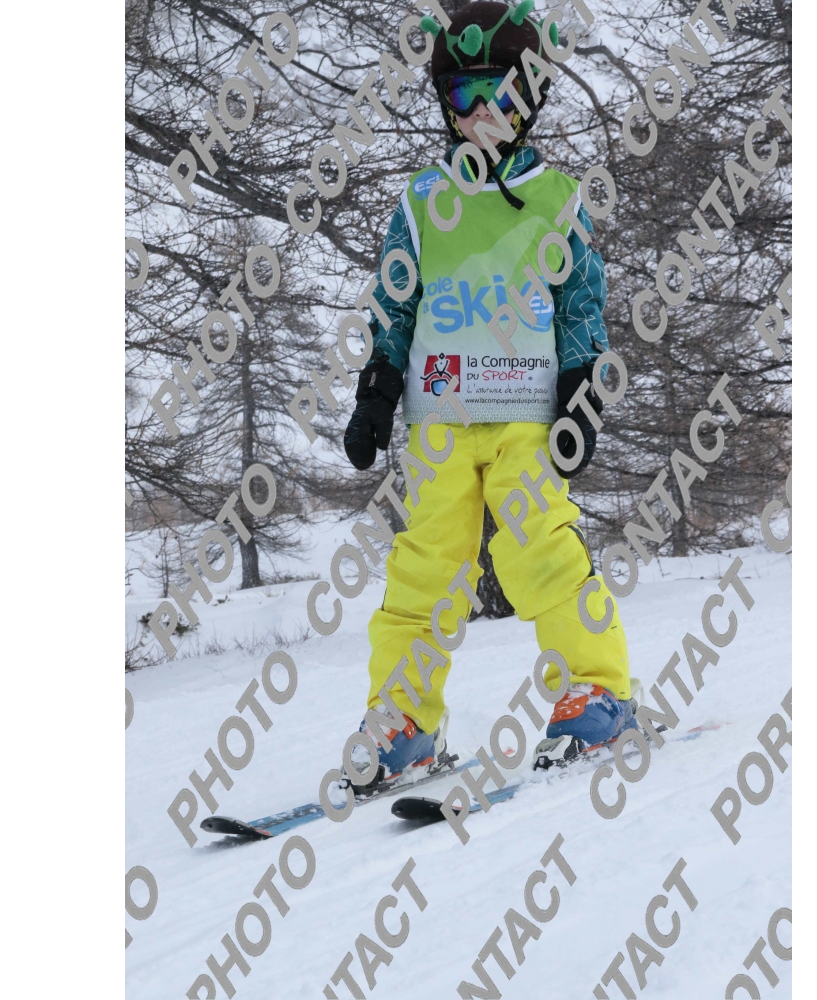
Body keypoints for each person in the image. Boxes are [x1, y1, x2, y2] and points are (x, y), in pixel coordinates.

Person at [341, 0, 637, 791]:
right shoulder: (422, 201)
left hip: (527, 413)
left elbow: (581, 302)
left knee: (540, 547)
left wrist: (581, 388)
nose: (480, 113)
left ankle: (598, 691)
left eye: (499, 95)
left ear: (529, 97)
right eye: (463, 95)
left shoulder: (555, 197)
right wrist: (377, 389)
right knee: (425, 567)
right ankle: (405, 721)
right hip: (439, 417)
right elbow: (395, 302)